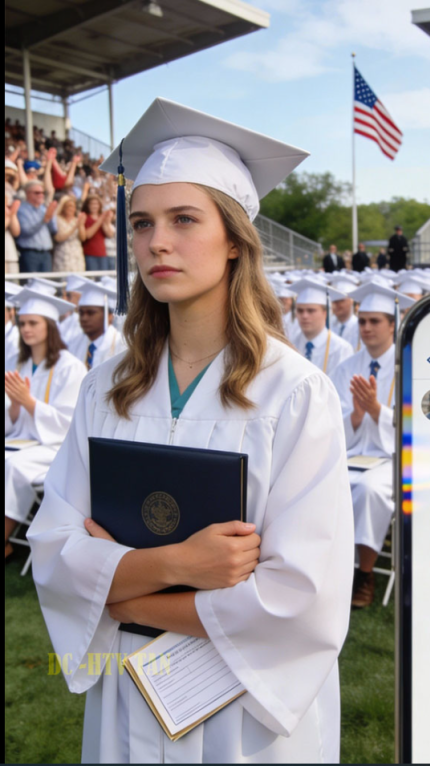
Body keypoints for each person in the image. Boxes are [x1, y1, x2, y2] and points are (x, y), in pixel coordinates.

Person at [27, 97, 354, 764]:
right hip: (129, 689)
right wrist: (177, 566)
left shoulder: (292, 392)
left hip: (238, 705)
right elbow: (54, 548)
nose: (157, 242)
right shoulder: (109, 384)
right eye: (142, 223)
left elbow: (302, 598)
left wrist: (118, 592)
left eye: (184, 220)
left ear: (234, 239)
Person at [330, 283, 414, 608]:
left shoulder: (410, 366)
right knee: (324, 482)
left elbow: (418, 427)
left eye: (374, 321)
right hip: (351, 453)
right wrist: (356, 414)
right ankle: (331, 568)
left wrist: (377, 411)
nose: (365, 328)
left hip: (393, 458)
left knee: (367, 489)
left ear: (392, 324)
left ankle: (363, 573)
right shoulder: (346, 368)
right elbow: (331, 420)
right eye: (362, 321)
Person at [5, 288, 86, 557]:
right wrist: (15, 405)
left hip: (54, 447)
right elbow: (10, 419)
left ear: (49, 326)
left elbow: (68, 423)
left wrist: (28, 402)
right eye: (22, 323)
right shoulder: (19, 362)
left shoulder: (70, 366)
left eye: (33, 323)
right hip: (23, 440)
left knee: (14, 466)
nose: (26, 329)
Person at [290, 278, 353, 373]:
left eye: (311, 310)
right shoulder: (291, 345)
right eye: (300, 310)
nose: (304, 316)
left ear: (325, 313)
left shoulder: (341, 349)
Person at [67, 282, 126, 370]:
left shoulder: (122, 346)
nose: (84, 318)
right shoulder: (74, 344)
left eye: (91, 313)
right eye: (81, 313)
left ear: (109, 316)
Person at [16, 181, 58, 273]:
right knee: (31, 285)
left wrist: (50, 217)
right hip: (29, 254)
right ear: (28, 193)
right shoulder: (21, 209)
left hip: (46, 254)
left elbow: (54, 230)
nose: (41, 195)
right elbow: (25, 231)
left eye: (42, 192)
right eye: (37, 193)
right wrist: (44, 220)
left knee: (46, 284)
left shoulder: (45, 209)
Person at [52, 194, 86, 273]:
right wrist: (75, 227)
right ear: (63, 207)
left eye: (72, 206)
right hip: (62, 253)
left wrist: (81, 225)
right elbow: (58, 238)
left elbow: (83, 238)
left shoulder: (76, 220)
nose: (70, 209)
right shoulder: (57, 219)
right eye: (68, 206)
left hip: (76, 253)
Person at [81, 195, 116, 271]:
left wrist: (107, 221)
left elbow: (109, 234)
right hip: (89, 253)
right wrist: (101, 219)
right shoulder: (86, 217)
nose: (94, 206)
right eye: (92, 204)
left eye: (96, 204)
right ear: (88, 205)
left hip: (102, 253)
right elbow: (88, 235)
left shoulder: (101, 217)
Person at [328, 274, 361, 352]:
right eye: (334, 301)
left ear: (351, 301)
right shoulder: (327, 325)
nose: (336, 305)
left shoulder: (359, 327)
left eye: (341, 301)